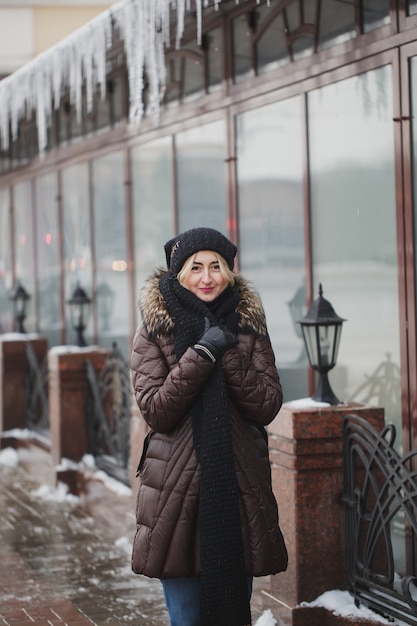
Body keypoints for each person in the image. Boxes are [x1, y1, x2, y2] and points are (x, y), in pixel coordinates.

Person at [130, 227, 288, 626]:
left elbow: (267, 404)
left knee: (235, 613)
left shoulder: (248, 324)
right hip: (175, 495)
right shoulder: (156, 327)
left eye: (215, 266)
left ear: (228, 272)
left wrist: (228, 353)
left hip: (236, 492)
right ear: (179, 273)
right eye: (195, 267)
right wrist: (202, 353)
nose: (206, 277)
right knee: (186, 618)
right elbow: (157, 409)